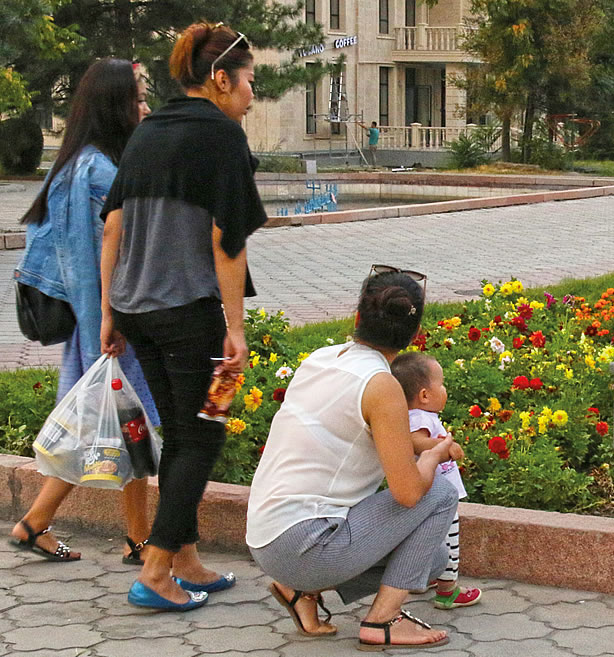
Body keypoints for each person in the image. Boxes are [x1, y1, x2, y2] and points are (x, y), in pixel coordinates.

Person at [99, 22, 267, 611]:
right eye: (249, 81)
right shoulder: (222, 138)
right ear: (221, 79)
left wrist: (108, 314)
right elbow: (228, 239)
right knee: (204, 434)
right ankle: (156, 570)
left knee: (179, 435)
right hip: (189, 312)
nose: (252, 94)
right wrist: (236, 328)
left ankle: (186, 557)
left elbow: (113, 225)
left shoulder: (149, 132)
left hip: (135, 309)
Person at [247, 269, 458, 650]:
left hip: (265, 537)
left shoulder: (321, 358)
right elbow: (409, 493)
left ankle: (299, 591)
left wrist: (422, 449)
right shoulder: (382, 386)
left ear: (358, 316)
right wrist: (437, 453)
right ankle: (383, 622)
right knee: (439, 493)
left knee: (432, 560)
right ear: (413, 333)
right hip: (305, 544)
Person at [10, 58, 159, 566]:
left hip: (101, 320)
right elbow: (94, 257)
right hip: (110, 322)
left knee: (111, 428)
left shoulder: (82, 164)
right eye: (138, 97)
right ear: (115, 104)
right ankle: (135, 541)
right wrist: (110, 321)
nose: (146, 106)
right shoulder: (95, 170)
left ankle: (40, 524)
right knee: (123, 426)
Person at [390, 352, 482, 609]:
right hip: (437, 493)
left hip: (432, 492)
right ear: (424, 395)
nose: (445, 390)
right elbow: (415, 442)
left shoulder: (421, 416)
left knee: (430, 540)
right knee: (449, 540)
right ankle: (448, 590)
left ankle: (424, 579)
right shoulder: (419, 417)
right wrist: (442, 446)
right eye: (441, 384)